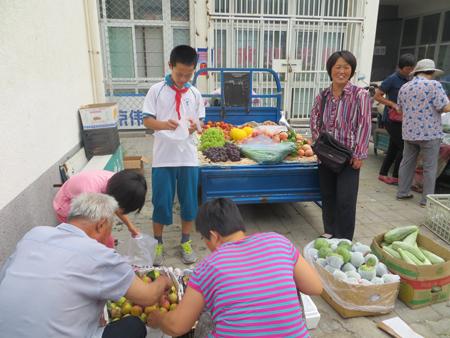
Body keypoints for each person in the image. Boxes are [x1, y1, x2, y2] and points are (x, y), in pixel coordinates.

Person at [0, 193, 173, 338]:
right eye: (110, 228)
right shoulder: (100, 256)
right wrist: (163, 280)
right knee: (134, 326)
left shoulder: (34, 234)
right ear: (101, 225)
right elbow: (149, 297)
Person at [146, 198, 323, 337]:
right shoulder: (278, 242)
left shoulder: (208, 268)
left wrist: (159, 318)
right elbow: (315, 287)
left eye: (205, 239)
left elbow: (177, 327)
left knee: (207, 315)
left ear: (214, 236)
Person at [142, 45, 205, 266]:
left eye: (189, 75)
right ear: (170, 66)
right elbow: (147, 120)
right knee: (161, 202)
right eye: (179, 74)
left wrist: (193, 126)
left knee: (189, 202)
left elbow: (201, 122)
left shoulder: (195, 93)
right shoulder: (156, 90)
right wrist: (164, 125)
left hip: (187, 157)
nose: (183, 79)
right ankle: (157, 242)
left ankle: (185, 241)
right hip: (163, 157)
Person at [310, 50, 371, 240]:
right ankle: (330, 231)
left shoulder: (359, 94)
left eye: (346, 67)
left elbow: (365, 124)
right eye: (338, 67)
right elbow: (314, 122)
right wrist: (318, 147)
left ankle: (344, 239)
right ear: (331, 69)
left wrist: (359, 154)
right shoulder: (323, 96)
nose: (341, 71)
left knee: (345, 200)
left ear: (351, 70)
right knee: (328, 196)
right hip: (326, 156)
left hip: (349, 157)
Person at [396, 59, 450, 207]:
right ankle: (426, 201)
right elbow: (445, 108)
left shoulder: (405, 86)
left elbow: (399, 110)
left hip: (409, 132)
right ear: (431, 72)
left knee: (406, 163)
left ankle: (402, 193)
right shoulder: (434, 85)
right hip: (429, 133)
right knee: (430, 167)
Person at [53, 169, 147, 248]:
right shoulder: (91, 194)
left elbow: (116, 205)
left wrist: (130, 226)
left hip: (86, 201)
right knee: (87, 242)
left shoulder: (119, 183)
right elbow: (91, 224)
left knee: (107, 241)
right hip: (67, 206)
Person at [374, 54, 416, 185]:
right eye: (407, 69)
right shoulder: (391, 79)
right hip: (391, 119)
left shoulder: (412, 80)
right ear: (400, 68)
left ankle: (383, 174)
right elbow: (377, 96)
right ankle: (396, 176)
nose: (410, 72)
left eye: (412, 69)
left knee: (393, 147)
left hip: (404, 119)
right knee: (403, 147)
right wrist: (392, 104)